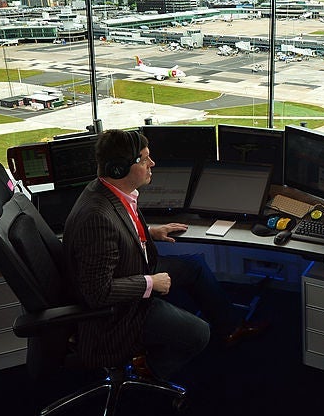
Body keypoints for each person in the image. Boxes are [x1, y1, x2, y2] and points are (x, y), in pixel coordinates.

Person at [63, 129, 265, 380]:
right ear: (119, 169)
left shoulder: (105, 191)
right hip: (121, 313)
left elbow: (114, 232)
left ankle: (231, 329)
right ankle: (146, 370)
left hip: (133, 267)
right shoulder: (96, 218)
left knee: (195, 266)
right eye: (145, 159)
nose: (152, 163)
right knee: (199, 334)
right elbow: (97, 292)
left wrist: (147, 232)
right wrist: (151, 282)